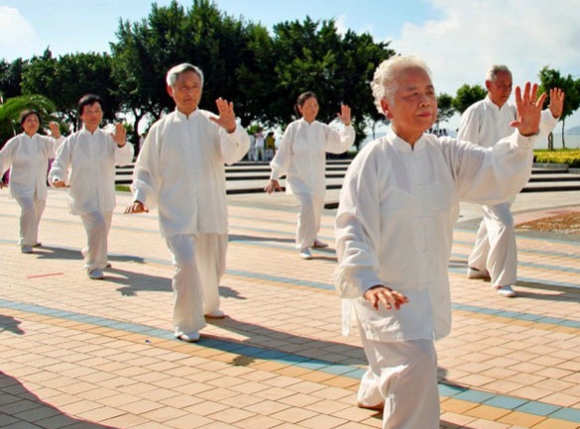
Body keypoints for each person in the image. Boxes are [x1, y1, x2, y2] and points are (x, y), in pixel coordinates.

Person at [334, 55, 562, 429]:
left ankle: (374, 386)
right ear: (385, 106)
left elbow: (493, 172)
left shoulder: (445, 152)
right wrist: (366, 279)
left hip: (425, 291)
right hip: (383, 292)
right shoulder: (370, 161)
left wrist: (523, 138)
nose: (425, 100)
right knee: (418, 364)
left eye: (429, 92)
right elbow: (351, 227)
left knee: (405, 361)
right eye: (411, 93)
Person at [125, 63, 250, 343]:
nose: (190, 92)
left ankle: (208, 305)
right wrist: (140, 196)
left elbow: (233, 154)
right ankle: (186, 322)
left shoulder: (213, 122)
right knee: (185, 264)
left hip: (211, 208)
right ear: (171, 90)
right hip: (176, 212)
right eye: (183, 86)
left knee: (212, 266)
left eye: (195, 87)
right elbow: (145, 169)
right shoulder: (159, 130)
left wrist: (231, 128)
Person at [458, 65, 564, 297]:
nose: (506, 90)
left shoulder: (513, 110)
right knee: (504, 222)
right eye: (501, 85)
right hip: (483, 180)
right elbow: (462, 148)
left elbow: (533, 123)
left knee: (492, 222)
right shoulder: (474, 112)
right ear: (488, 85)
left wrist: (552, 114)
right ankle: (501, 279)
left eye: (509, 85)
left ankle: (476, 266)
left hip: (508, 179)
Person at [49, 94, 133, 280]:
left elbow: (123, 160)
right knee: (98, 225)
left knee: (101, 229)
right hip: (82, 195)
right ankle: (93, 265)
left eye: (97, 110)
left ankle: (92, 252)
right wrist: (56, 178)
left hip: (105, 196)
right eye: (89, 111)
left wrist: (121, 144)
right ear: (81, 115)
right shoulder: (73, 140)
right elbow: (59, 163)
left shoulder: (109, 138)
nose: (94, 115)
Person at [265, 91, 355, 260]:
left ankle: (312, 238)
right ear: (300, 108)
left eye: (315, 105)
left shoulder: (322, 129)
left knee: (316, 209)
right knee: (307, 206)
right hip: (298, 178)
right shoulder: (293, 128)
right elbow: (283, 152)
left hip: (317, 179)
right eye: (309, 106)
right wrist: (274, 176)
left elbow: (341, 144)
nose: (313, 109)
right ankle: (303, 245)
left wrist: (347, 125)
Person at [0, 110, 63, 253]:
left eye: (35, 120)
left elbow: (59, 150)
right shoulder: (15, 142)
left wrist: (57, 136)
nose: (33, 122)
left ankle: (32, 239)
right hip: (20, 185)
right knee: (28, 208)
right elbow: (2, 159)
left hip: (38, 186)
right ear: (22, 124)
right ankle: (24, 241)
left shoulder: (44, 141)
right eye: (29, 120)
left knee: (36, 212)